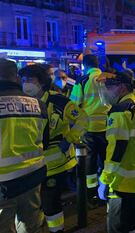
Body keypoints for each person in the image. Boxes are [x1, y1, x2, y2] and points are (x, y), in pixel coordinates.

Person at [19, 64, 88, 233]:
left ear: (41, 83)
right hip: (29, 166)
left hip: (55, 164)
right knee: (35, 204)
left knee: (51, 203)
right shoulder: (20, 102)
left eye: (30, 80)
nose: (26, 83)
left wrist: (70, 139)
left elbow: (83, 120)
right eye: (23, 80)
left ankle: (57, 230)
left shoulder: (59, 101)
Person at [0, 59, 48, 233]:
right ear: (16, 77)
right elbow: (45, 140)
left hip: (3, 183)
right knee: (30, 226)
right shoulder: (38, 104)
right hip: (32, 177)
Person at [98, 72, 135, 233]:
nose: (106, 91)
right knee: (132, 220)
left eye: (109, 86)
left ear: (121, 87)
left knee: (118, 224)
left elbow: (116, 150)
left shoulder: (119, 111)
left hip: (123, 181)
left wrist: (105, 179)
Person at [70, 54, 110, 203]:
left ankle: (91, 193)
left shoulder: (82, 80)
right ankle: (105, 189)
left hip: (89, 128)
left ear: (85, 65)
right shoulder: (107, 78)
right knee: (106, 159)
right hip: (108, 126)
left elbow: (73, 105)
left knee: (90, 161)